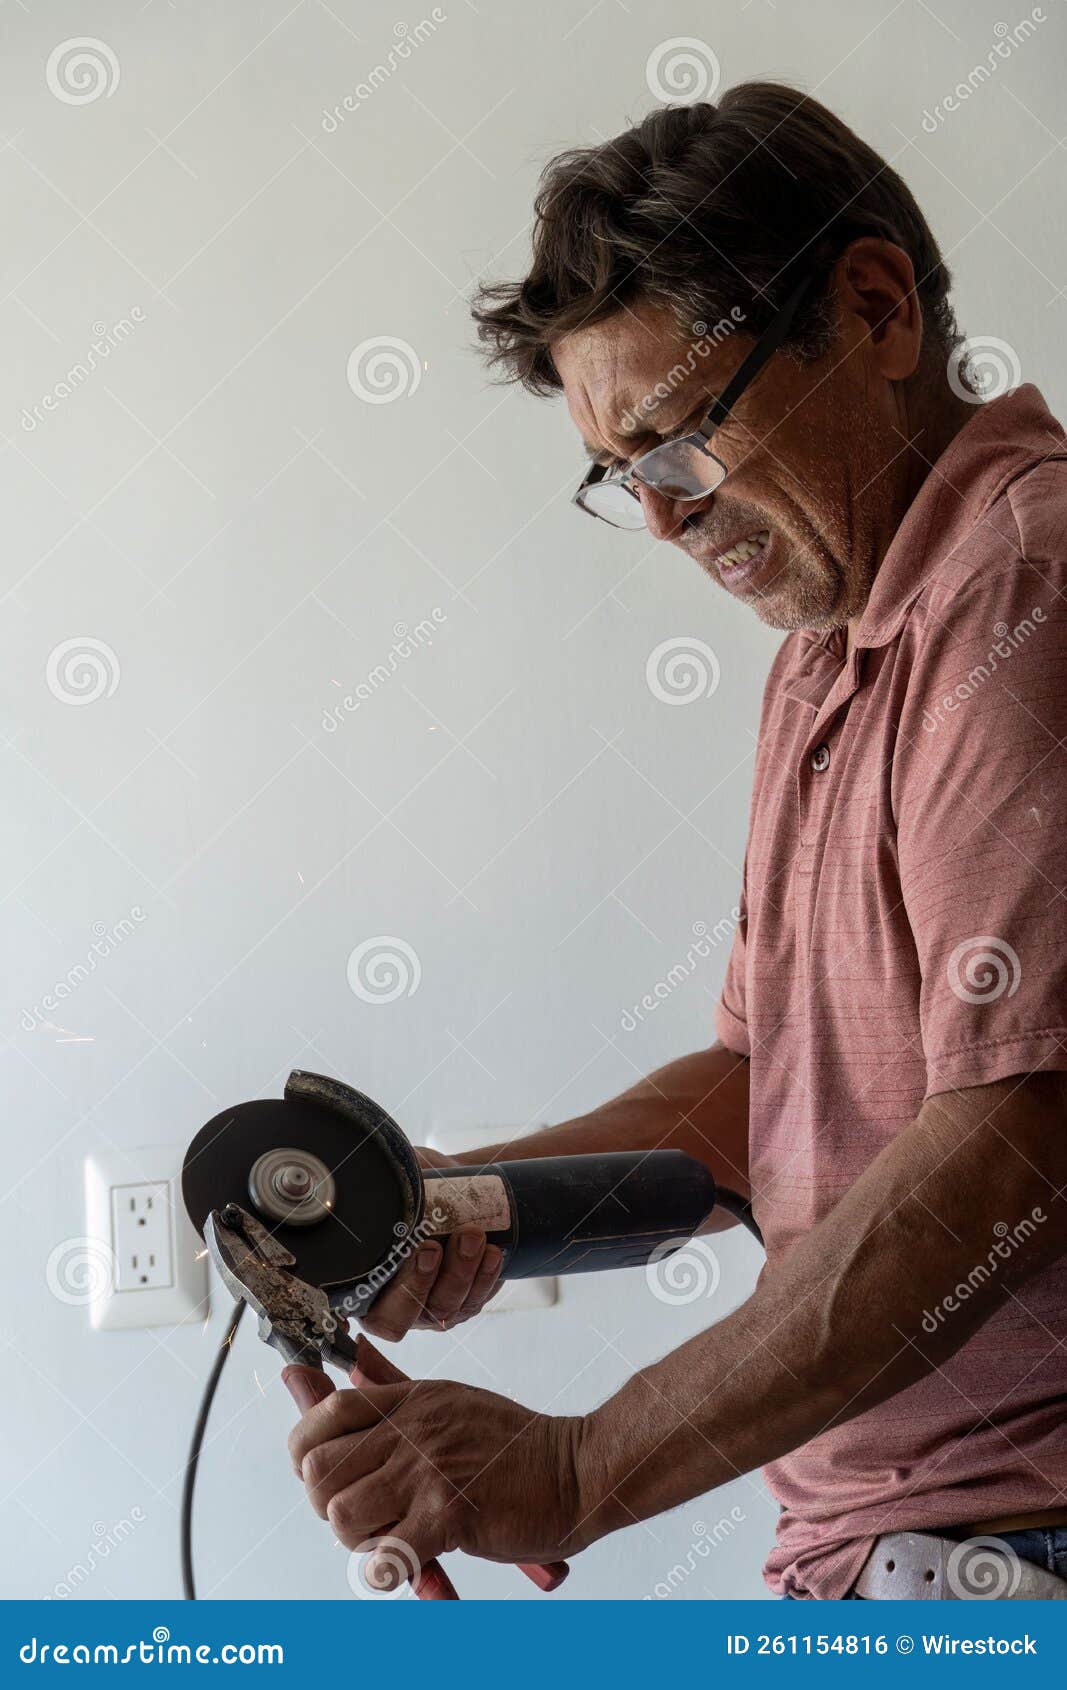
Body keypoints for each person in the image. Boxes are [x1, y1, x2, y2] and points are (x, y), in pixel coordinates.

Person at [283, 83, 1067, 1601]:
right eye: (619, 473)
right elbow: (768, 1093)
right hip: (897, 1553)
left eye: (681, 443)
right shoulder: (836, 642)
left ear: (875, 307)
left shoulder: (1023, 593)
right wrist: (456, 1204)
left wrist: (578, 1468)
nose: (661, 519)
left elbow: (1016, 1147)